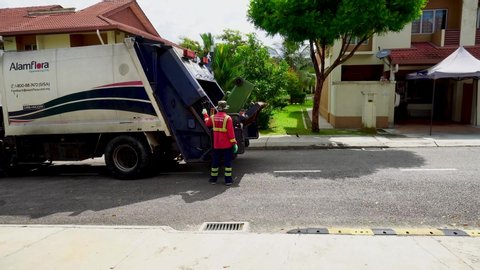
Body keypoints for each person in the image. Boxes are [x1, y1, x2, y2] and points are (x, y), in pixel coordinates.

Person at [202, 101, 238, 186]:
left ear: (218, 108)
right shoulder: (228, 118)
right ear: (225, 108)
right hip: (226, 145)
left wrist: (205, 114)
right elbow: (231, 133)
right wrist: (234, 143)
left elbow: (207, 123)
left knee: (215, 162)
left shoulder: (213, 117)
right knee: (227, 163)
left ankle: (213, 180)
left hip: (216, 145)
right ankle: (228, 180)